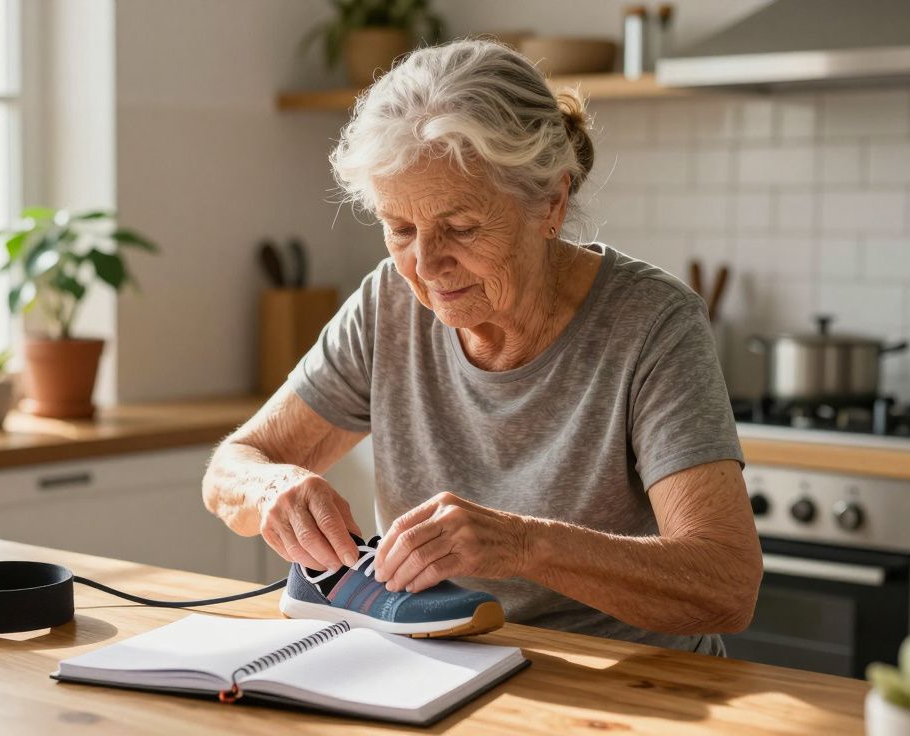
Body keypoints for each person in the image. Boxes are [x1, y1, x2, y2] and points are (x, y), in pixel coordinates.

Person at [202, 39, 761, 654]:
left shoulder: (652, 323)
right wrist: (271, 488)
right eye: (400, 229)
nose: (427, 264)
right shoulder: (388, 303)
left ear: (551, 202)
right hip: (445, 661)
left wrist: (525, 545)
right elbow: (234, 466)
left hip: (629, 679)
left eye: (462, 228)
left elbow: (726, 586)